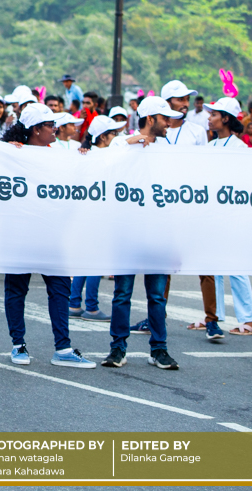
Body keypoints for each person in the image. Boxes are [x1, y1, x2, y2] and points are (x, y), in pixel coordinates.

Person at [1, 104, 96, 368]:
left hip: (53, 233)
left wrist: (85, 156)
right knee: (17, 289)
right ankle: (18, 345)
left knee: (60, 289)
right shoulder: (11, 153)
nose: (56, 128)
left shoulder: (63, 154)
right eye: (50, 125)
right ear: (35, 129)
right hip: (20, 233)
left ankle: (63, 348)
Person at [103, 96, 183, 371]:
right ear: (150, 119)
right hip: (127, 230)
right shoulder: (121, 143)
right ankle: (118, 348)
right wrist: (134, 141)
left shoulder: (169, 149)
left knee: (157, 295)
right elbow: (105, 160)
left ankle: (159, 349)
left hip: (159, 232)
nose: (169, 123)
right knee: (122, 292)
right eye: (164, 118)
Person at [194, 97, 252, 337]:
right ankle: (216, 314)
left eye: (213, 114)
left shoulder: (239, 148)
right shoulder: (211, 147)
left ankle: (249, 318)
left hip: (231, 215)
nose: (209, 118)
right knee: (214, 265)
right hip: (212, 214)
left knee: (236, 265)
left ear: (225, 118)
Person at [70, 115, 127, 323]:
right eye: (114, 134)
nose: (117, 137)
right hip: (100, 214)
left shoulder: (87, 154)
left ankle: (75, 303)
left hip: (85, 214)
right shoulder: (104, 156)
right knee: (96, 261)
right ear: (103, 137)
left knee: (85, 262)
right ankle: (91, 307)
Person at [160, 80, 208, 146]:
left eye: (187, 99)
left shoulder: (198, 132)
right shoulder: (155, 132)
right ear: (167, 103)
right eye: (180, 99)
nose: (187, 104)